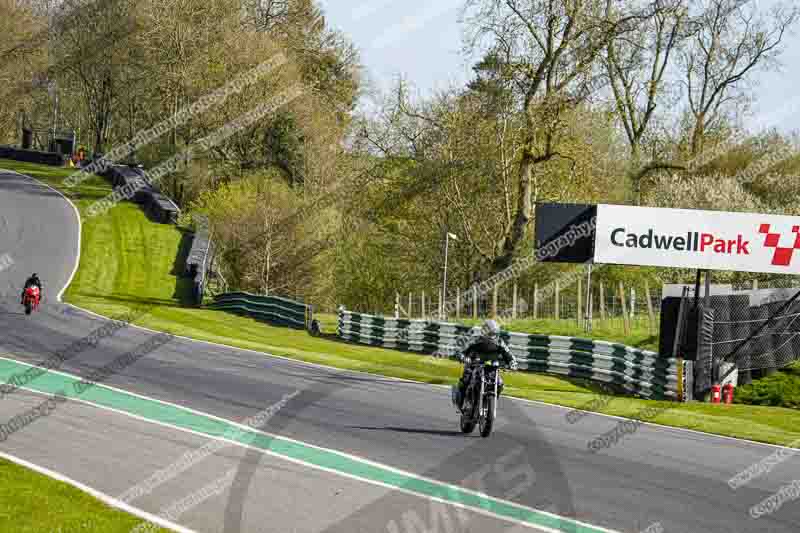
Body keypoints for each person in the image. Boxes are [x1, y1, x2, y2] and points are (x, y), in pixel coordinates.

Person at [452, 319, 517, 411]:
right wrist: (463, 357)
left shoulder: (500, 342)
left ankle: (491, 401)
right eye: (491, 334)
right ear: (484, 332)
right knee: (466, 379)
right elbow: (461, 350)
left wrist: (512, 363)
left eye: (495, 334)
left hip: (491, 370)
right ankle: (461, 404)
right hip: (474, 367)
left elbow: (508, 355)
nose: (493, 337)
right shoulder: (475, 340)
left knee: (500, 384)